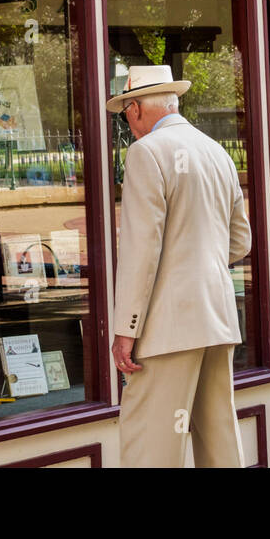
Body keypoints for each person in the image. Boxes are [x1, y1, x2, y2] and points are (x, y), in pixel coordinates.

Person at [109, 64, 252, 468]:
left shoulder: (146, 152)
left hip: (167, 325)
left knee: (150, 447)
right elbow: (240, 241)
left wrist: (126, 332)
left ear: (135, 109)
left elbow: (141, 252)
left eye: (126, 113)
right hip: (216, 316)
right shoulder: (216, 151)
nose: (127, 122)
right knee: (219, 437)